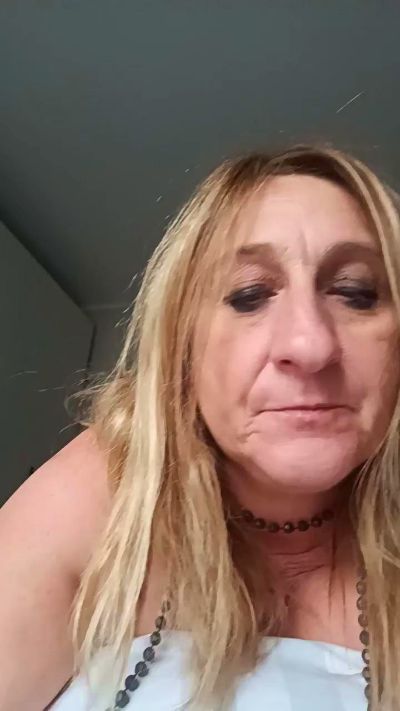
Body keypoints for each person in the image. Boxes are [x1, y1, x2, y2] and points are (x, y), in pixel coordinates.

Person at [1, 144, 400, 711]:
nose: (310, 344)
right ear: (183, 348)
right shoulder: (111, 490)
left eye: (356, 293)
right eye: (248, 295)